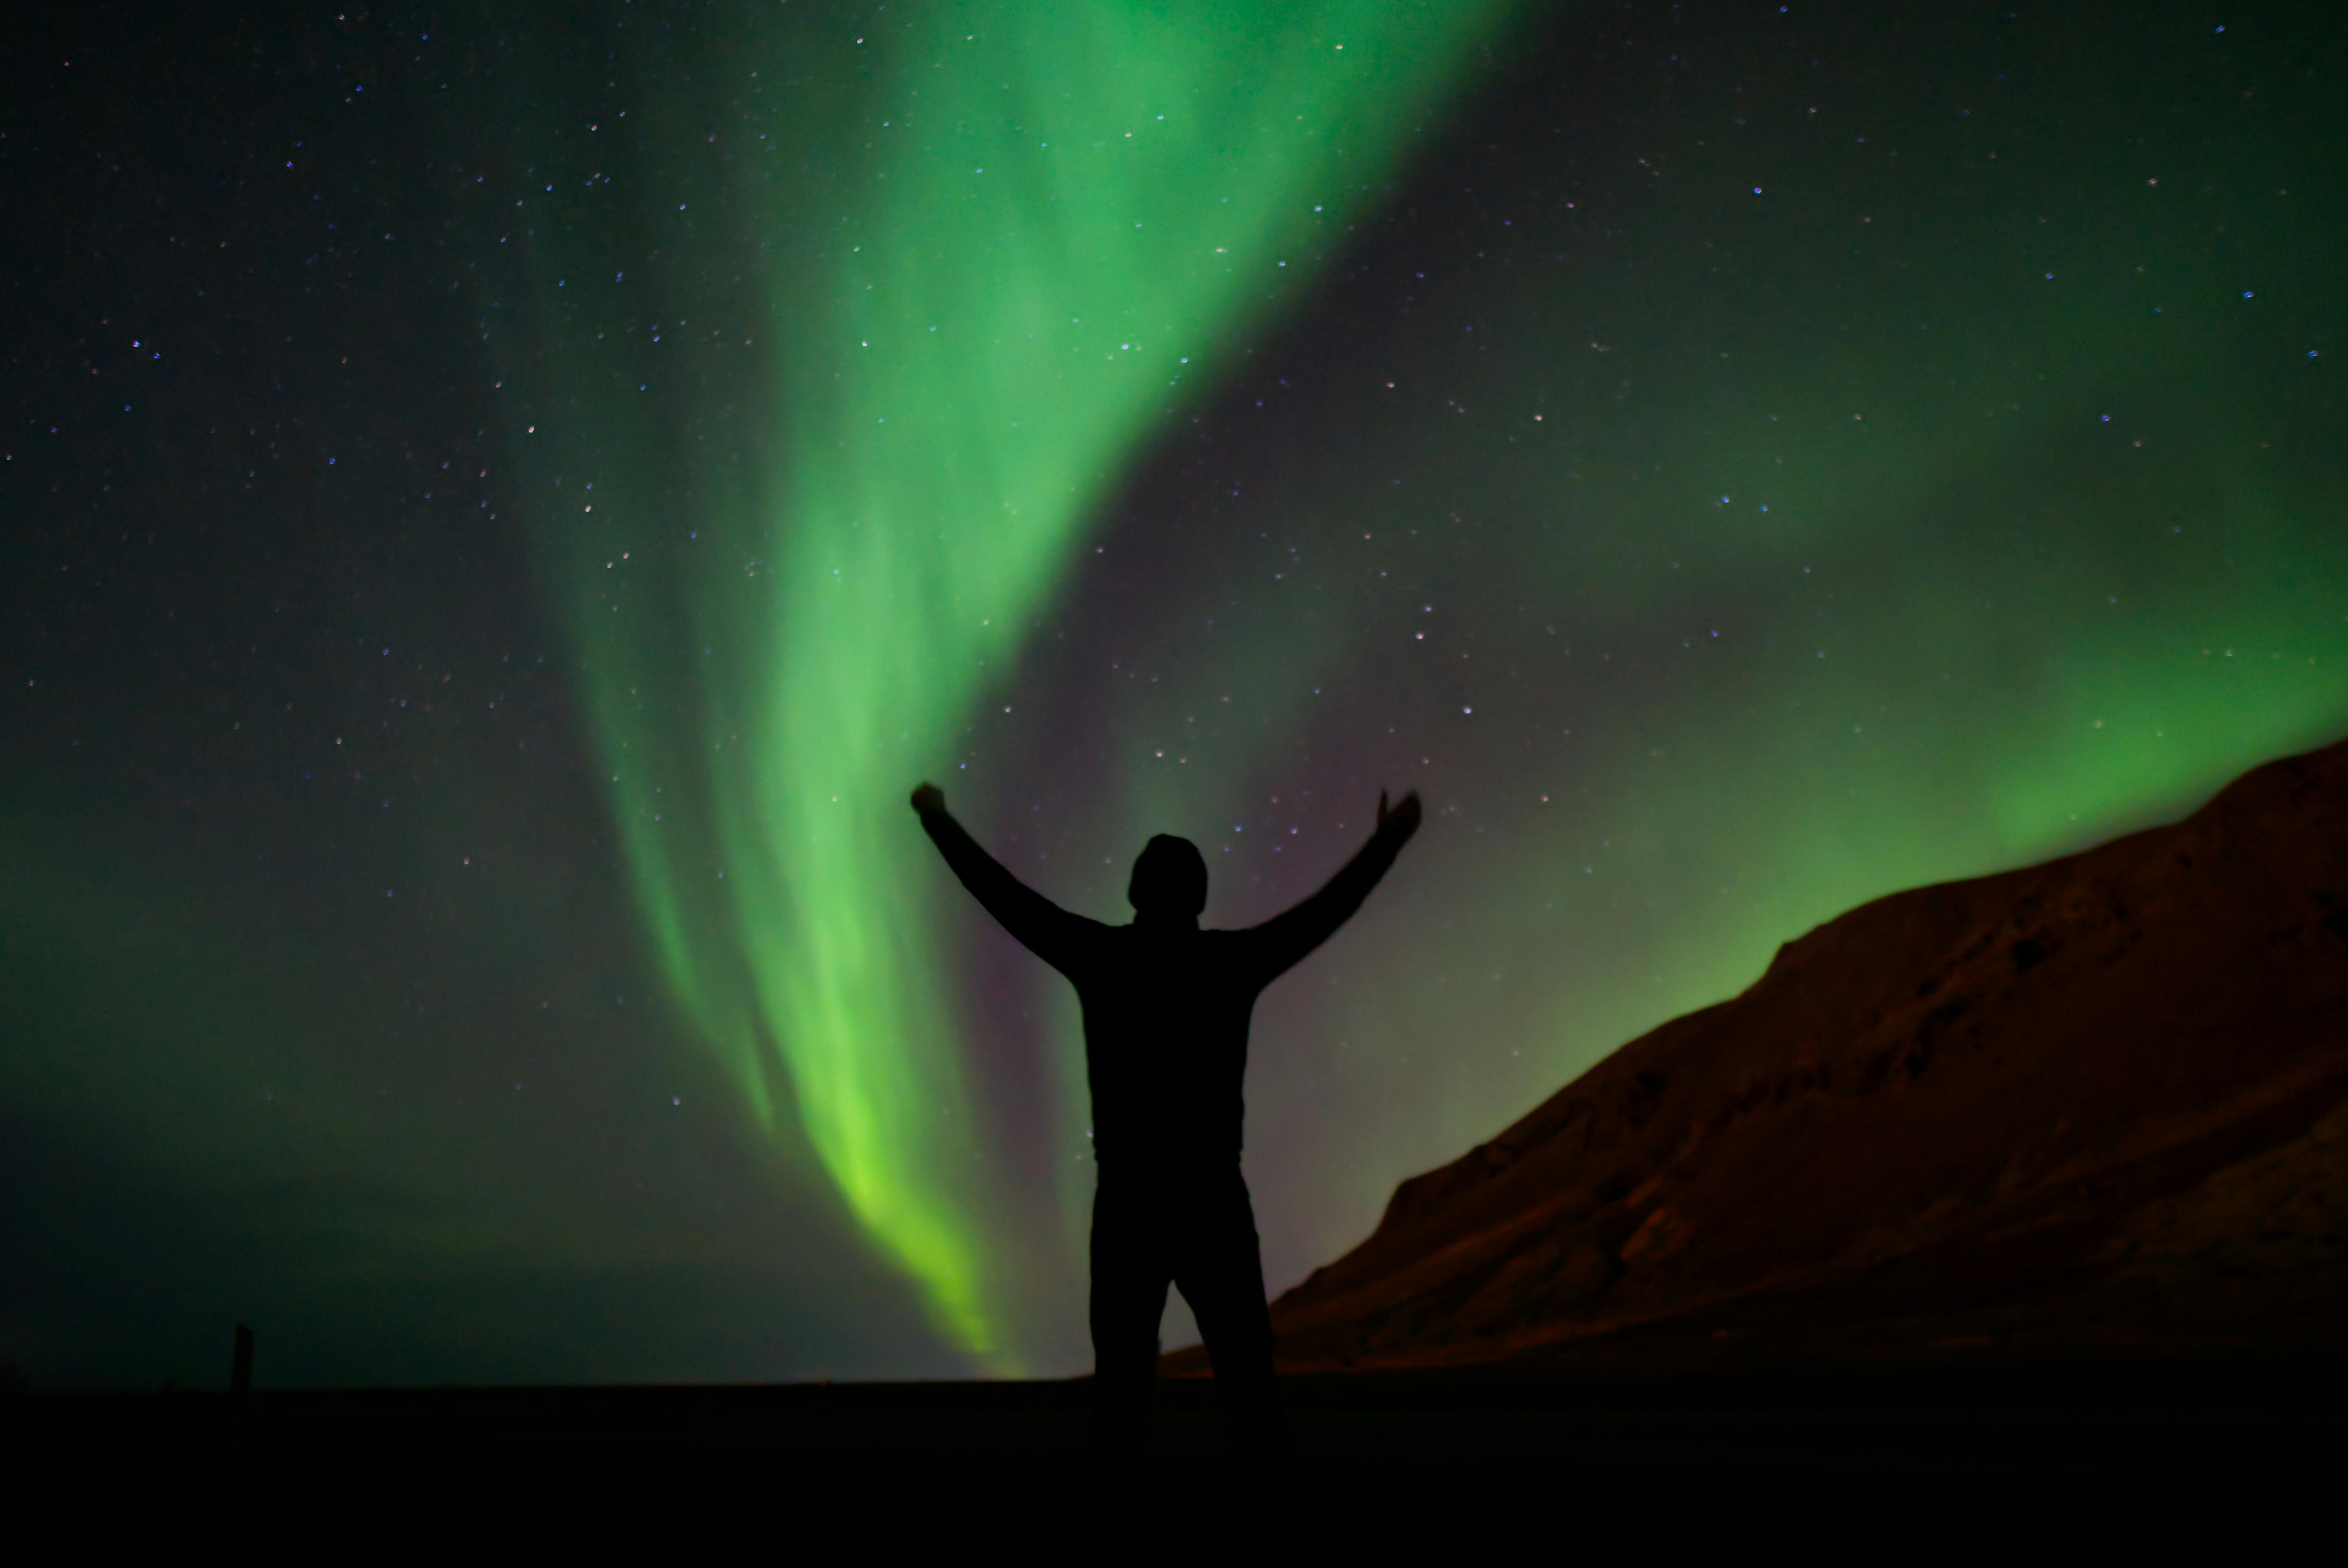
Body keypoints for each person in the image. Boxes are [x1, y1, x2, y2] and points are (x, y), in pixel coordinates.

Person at [910, 778, 1421, 1447]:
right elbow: (1325, 913)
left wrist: (938, 821)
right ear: (1200, 896)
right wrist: (1385, 843)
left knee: (1123, 1386)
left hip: (1129, 1198)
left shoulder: (1102, 956)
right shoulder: (1230, 962)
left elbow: (1005, 898)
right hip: (1211, 1194)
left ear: (1134, 892)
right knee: (1246, 1382)